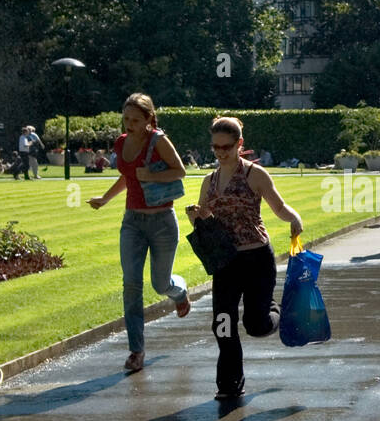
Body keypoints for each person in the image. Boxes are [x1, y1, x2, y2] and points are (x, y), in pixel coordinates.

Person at [187, 116, 303, 402]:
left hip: (256, 259)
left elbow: (278, 206)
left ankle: (277, 312)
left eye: (226, 146)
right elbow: (207, 223)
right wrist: (197, 217)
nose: (220, 152)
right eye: (215, 147)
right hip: (226, 261)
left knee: (256, 325)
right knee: (222, 322)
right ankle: (229, 384)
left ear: (239, 144)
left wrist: (294, 218)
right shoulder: (209, 181)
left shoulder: (255, 175)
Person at [88, 93, 191, 373]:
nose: (129, 125)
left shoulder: (159, 140)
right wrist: (105, 199)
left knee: (160, 285)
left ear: (149, 119)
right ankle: (137, 350)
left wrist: (153, 176)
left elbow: (180, 171)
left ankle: (179, 293)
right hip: (132, 223)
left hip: (162, 222)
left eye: (135, 120)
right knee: (131, 285)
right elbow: (128, 176)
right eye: (126, 119)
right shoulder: (121, 143)